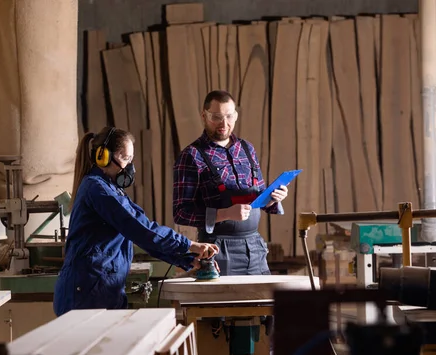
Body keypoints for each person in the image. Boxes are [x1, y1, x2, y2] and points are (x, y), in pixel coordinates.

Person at [53, 126, 219, 317]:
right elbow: (142, 229)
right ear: (102, 157)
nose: (129, 167)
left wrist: (189, 260)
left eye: (131, 160)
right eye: (125, 159)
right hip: (86, 294)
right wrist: (191, 245)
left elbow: (142, 236)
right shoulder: (98, 190)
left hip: (100, 290)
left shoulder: (111, 188)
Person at [173, 90, 289, 276]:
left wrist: (274, 198)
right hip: (217, 250)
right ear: (204, 116)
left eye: (229, 116)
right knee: (225, 303)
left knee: (262, 303)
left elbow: (259, 195)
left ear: (235, 115)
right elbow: (180, 213)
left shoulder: (246, 149)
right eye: (216, 117)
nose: (224, 123)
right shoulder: (191, 156)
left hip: (255, 247)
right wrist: (224, 213)